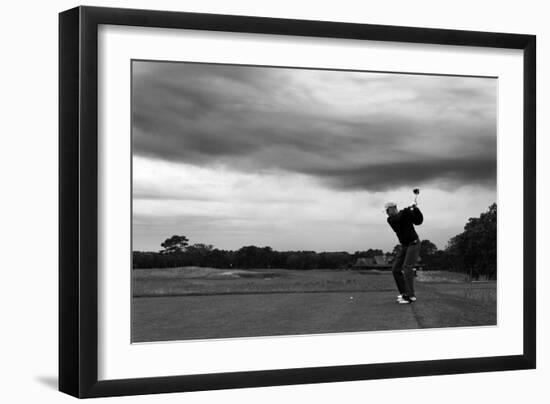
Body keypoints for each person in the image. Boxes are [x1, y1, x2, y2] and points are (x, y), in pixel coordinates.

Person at [385, 201, 423, 304]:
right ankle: (404, 293)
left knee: (407, 267)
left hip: (414, 243)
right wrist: (407, 209)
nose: (388, 213)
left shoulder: (405, 214)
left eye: (388, 210)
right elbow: (398, 218)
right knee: (395, 269)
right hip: (404, 246)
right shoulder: (391, 219)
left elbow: (419, 221)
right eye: (387, 211)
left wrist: (416, 209)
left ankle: (411, 296)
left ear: (393, 208)